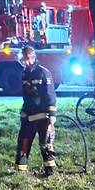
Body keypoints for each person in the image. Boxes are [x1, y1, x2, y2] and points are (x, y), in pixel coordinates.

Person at [15, 46, 58, 176]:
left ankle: (49, 171)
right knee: (23, 142)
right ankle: (20, 171)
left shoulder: (43, 73)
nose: (26, 62)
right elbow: (26, 95)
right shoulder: (23, 74)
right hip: (29, 116)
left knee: (46, 144)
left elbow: (50, 95)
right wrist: (24, 111)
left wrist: (52, 114)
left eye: (28, 59)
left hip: (43, 116)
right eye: (23, 60)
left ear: (34, 58)